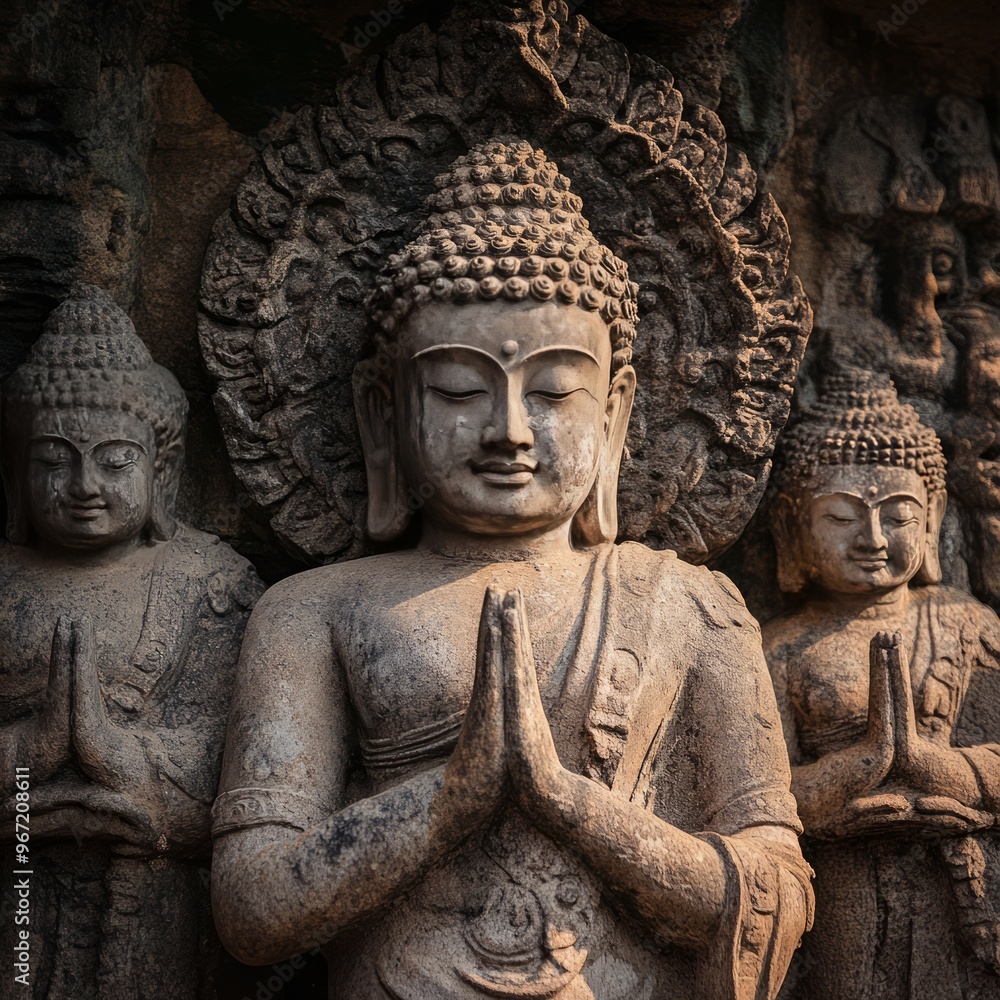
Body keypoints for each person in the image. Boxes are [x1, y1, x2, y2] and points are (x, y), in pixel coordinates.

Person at [212, 140, 813, 1000]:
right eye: (458, 390)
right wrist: (445, 803)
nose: (508, 430)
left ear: (616, 411)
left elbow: (777, 890)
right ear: (383, 413)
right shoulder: (314, 611)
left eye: (553, 392)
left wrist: (569, 803)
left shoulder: (692, 606)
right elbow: (251, 909)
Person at [0, 285, 263, 999]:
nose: (84, 485)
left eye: (115, 461)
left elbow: (240, 751)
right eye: (55, 460)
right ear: (16, 476)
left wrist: (125, 762)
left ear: (162, 472)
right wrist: (27, 759)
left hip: (155, 894)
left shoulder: (211, 580)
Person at [764, 370, 1000, 999]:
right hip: (834, 897)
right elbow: (756, 798)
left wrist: (926, 764)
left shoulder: (969, 626)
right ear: (791, 528)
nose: (871, 539)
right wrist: (866, 763)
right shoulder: (775, 648)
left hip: (964, 891)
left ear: (934, 520)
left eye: (898, 516)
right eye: (841, 518)